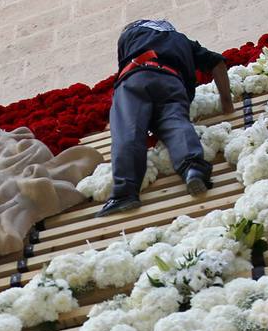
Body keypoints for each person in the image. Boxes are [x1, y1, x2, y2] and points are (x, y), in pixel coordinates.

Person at [98, 20, 234, 216]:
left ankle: (125, 192)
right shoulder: (181, 40)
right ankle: (193, 169)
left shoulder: (129, 36)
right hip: (171, 81)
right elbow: (217, 63)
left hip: (135, 76)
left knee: (128, 130)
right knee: (175, 122)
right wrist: (227, 105)